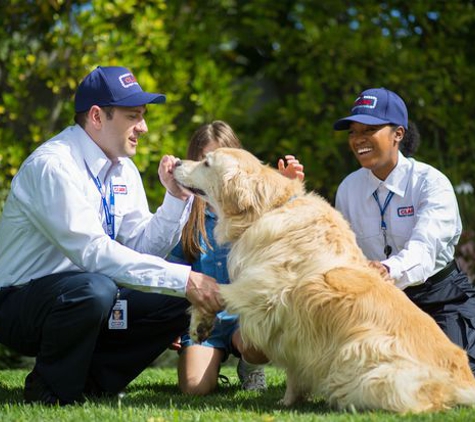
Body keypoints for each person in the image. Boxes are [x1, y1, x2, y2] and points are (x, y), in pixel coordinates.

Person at [0, 66, 223, 405]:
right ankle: (51, 388)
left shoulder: (123, 168)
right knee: (97, 288)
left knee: (175, 299)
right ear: (96, 116)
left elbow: (142, 248)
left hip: (84, 295)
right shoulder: (54, 166)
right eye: (134, 116)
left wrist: (175, 200)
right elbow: (94, 253)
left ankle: (91, 382)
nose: (143, 127)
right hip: (19, 303)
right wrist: (186, 279)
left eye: (143, 116)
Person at [333, 87, 475, 373]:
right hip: (378, 302)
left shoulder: (431, 183)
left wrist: (387, 270)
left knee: (453, 373)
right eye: (353, 131)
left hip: (439, 296)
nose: (358, 139)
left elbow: (424, 248)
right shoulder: (348, 188)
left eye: (369, 129)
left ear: (398, 133)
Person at [168, 121, 305, 395]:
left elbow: (291, 240)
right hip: (205, 317)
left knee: (257, 347)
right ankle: (210, 361)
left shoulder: (256, 211)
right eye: (207, 163)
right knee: (195, 389)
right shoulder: (182, 213)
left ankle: (249, 364)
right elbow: (171, 269)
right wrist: (166, 322)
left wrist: (287, 187)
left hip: (246, 319)